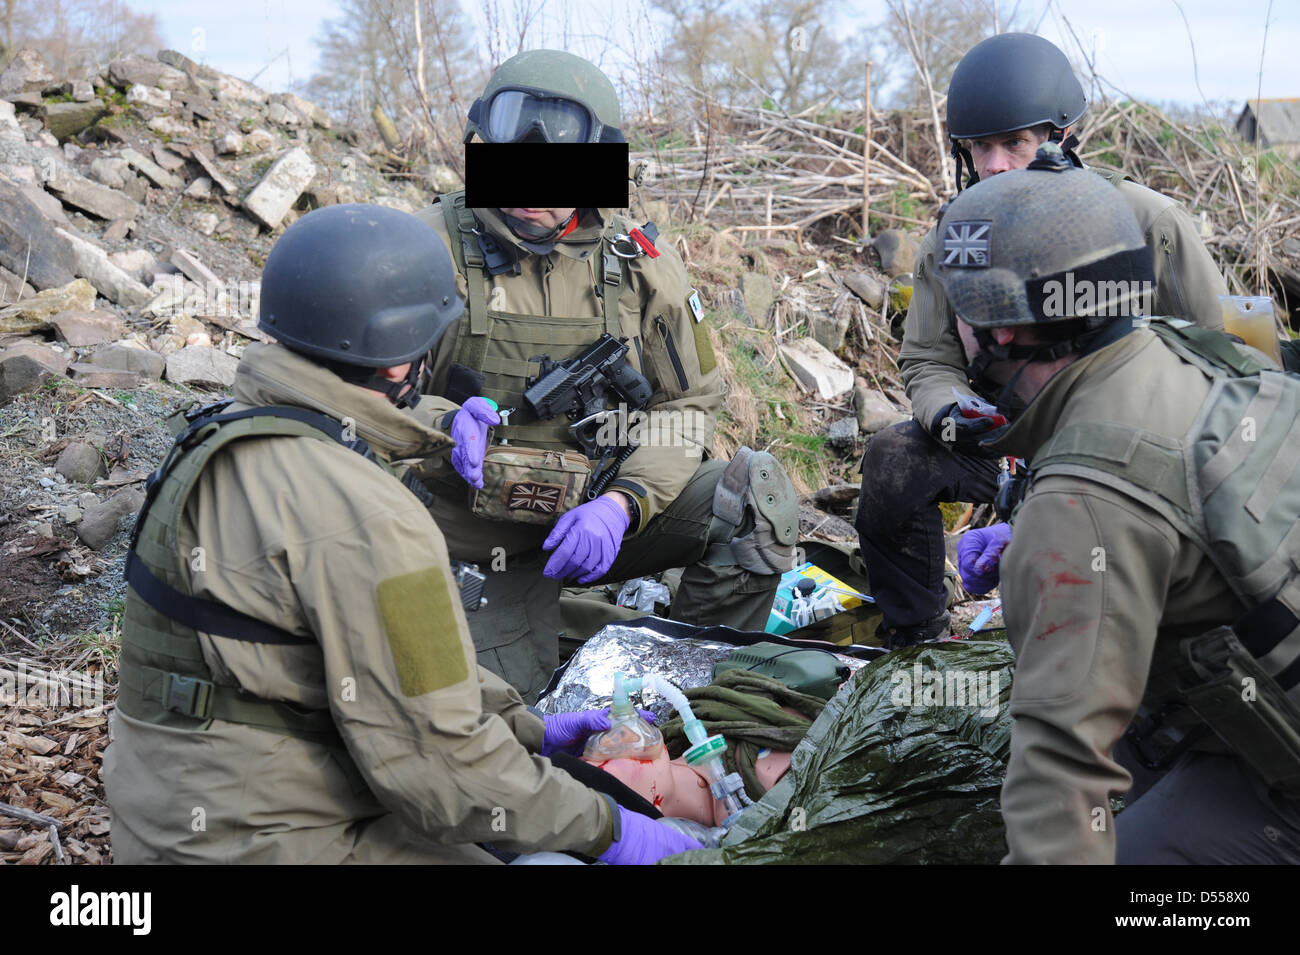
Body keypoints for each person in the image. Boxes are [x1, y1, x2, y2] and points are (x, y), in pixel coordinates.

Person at [102, 204, 700, 865]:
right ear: (397, 363)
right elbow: (448, 776)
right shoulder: (368, 512)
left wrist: (526, 729)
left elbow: (376, 669)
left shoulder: (224, 433)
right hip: (267, 839)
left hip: (176, 814)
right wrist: (613, 830)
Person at [935, 144, 1300, 864]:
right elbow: (1190, 516)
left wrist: (1066, 544)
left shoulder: (1082, 499)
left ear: (1002, 329)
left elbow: (1059, 782)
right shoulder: (1188, 350)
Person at [414, 49, 797, 702]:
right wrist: (441, 423)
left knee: (755, 496)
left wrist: (624, 505)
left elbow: (691, 405)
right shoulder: (425, 246)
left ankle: (690, 694)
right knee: (510, 722)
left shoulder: (639, 264)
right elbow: (355, 398)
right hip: (472, 542)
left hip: (600, 519)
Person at [855, 32, 1231, 647]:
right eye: (981, 147)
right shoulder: (955, 239)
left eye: (1016, 143)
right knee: (895, 459)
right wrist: (951, 411)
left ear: (1059, 139)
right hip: (1004, 438)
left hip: (1133, 446)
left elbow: (1225, 358)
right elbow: (927, 358)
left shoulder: (1146, 221)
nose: (997, 163)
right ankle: (920, 643)